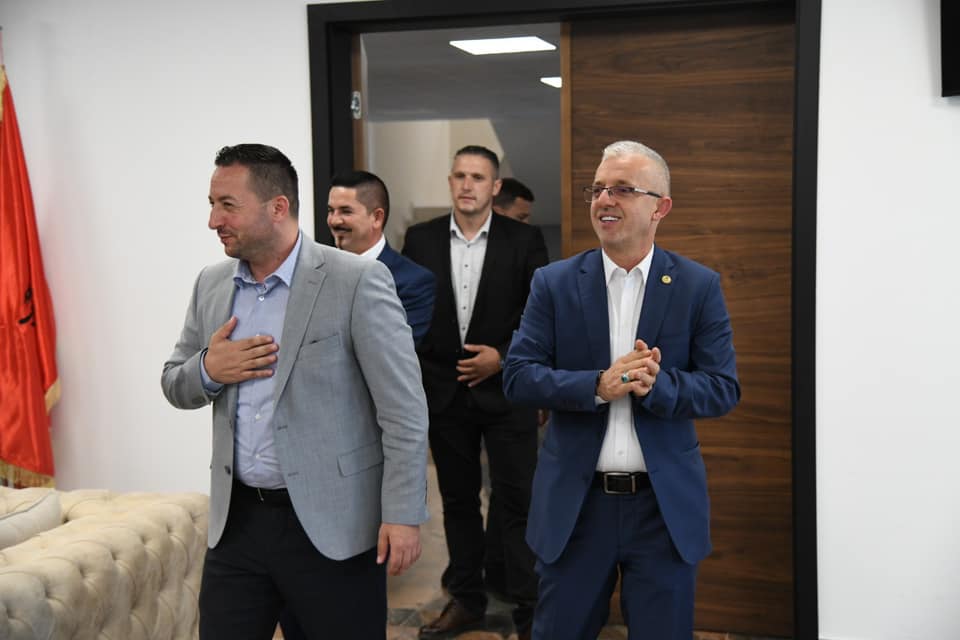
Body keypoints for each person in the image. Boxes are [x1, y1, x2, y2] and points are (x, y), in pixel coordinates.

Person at [161, 144, 429, 640]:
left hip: (333, 527)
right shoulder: (211, 285)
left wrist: (403, 514)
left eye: (227, 205)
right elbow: (174, 382)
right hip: (236, 526)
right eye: (212, 204)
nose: (213, 220)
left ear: (277, 207)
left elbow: (404, 411)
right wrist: (209, 369)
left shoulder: (357, 280)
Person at [502, 140, 741, 640]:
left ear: (660, 207)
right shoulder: (554, 283)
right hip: (577, 507)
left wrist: (658, 386)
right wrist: (596, 385)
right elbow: (518, 376)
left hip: (662, 510)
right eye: (598, 189)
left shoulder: (697, 286)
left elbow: (722, 388)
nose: (604, 200)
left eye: (623, 189)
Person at [403, 145, 547, 640]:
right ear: (450, 181)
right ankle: (466, 601)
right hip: (445, 393)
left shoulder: (524, 239)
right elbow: (404, 312)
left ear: (495, 187)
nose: (468, 185)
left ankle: (530, 613)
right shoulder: (420, 239)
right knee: (458, 503)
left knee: (519, 501)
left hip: (507, 392)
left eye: (478, 177)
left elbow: (540, 315)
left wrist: (502, 357)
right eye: (460, 176)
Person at [326, 169, 436, 345]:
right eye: (331, 211)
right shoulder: (316, 271)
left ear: (377, 218)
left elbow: (397, 349)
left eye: (346, 212)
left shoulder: (413, 282)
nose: (334, 220)